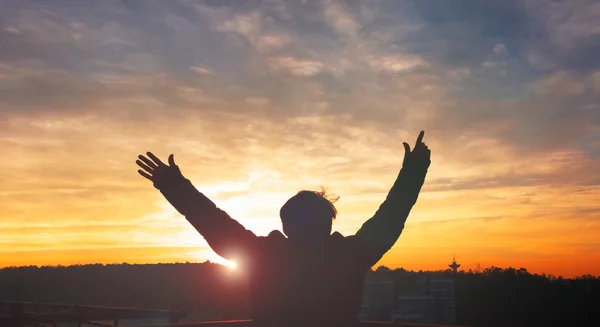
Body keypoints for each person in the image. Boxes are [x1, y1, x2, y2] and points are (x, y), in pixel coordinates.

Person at [135, 131, 431, 327]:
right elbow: (391, 217)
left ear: (285, 225)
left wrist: (173, 185)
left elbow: (211, 221)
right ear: (328, 223)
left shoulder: (263, 256)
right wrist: (413, 172)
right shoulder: (350, 255)